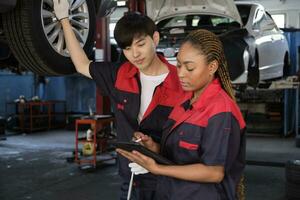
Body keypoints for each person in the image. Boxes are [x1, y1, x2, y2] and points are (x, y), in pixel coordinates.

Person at [53, 1, 186, 199]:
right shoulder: (119, 76)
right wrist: (64, 19)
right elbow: (82, 65)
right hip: (131, 178)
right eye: (127, 48)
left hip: (170, 180)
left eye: (140, 44)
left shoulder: (182, 83)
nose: (135, 54)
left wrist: (160, 160)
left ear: (155, 38)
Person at [117, 29, 246, 200]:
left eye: (190, 68)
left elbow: (214, 172)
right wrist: (154, 148)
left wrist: (157, 168)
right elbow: (180, 153)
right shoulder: (184, 102)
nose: (181, 73)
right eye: (178, 65)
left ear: (212, 67)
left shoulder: (221, 111)